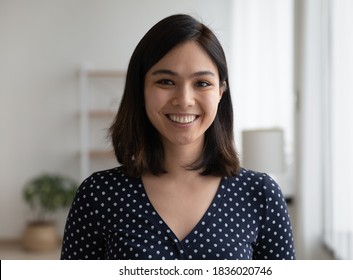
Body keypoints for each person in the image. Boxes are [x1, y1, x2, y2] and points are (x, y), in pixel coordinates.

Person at [61, 14, 295, 260]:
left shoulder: (260, 194)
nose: (184, 100)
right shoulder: (99, 195)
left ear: (220, 91)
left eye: (202, 83)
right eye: (166, 81)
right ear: (140, 89)